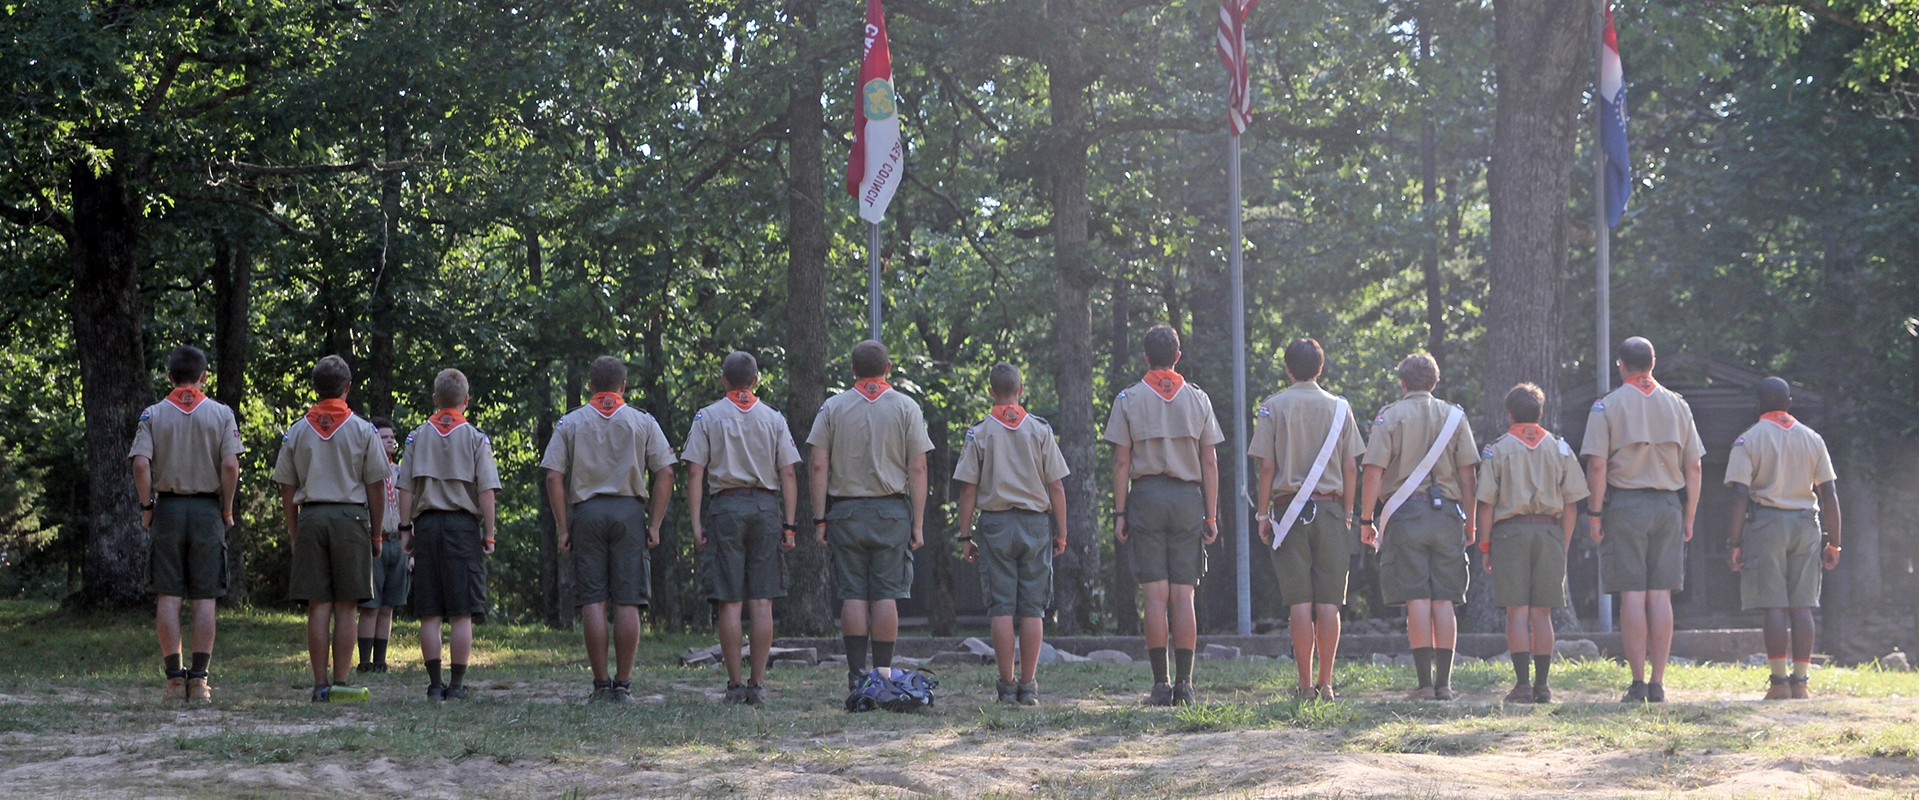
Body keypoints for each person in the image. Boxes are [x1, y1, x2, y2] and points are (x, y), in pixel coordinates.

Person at [542, 356, 676, 703]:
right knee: (628, 601)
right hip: (629, 513)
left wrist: (563, 526)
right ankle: (624, 685)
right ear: (623, 386)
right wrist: (655, 523)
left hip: (586, 513)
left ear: (590, 385)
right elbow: (666, 472)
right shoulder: (642, 421)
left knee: (593, 600)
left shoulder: (571, 423)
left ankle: (600, 685)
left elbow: (553, 475)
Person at [1105, 325, 1224, 706]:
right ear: (1178, 356)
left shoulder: (1129, 399)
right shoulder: (1198, 400)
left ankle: (1160, 684)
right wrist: (1211, 514)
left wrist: (1119, 510)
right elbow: (1210, 460)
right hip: (1188, 498)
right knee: (1183, 595)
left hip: (1146, 496)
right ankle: (1186, 686)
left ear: (1145, 357)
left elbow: (1121, 459)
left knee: (1154, 595)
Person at [1581, 337, 1704, 703]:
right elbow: (1694, 465)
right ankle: (1658, 683)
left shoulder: (1607, 405)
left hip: (1626, 506)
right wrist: (1689, 514)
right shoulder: (1678, 404)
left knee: (1632, 594)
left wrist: (1595, 513)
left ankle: (1637, 683)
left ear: (1621, 365)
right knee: (1661, 595)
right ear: (1653, 364)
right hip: (1668, 505)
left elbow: (1598, 463)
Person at [808, 340, 933, 697]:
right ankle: (883, 673)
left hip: (845, 511)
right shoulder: (907, 407)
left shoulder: (832, 407)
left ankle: (854, 673)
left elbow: (818, 464)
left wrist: (820, 518)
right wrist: (918, 523)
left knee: (853, 594)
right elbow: (918, 466)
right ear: (888, 368)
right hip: (891, 511)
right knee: (886, 595)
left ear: (852, 370)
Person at [1358, 353, 1479, 701]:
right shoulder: (1455, 416)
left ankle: (1424, 684)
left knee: (1417, 600)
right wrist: (1469, 521)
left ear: (1403, 383)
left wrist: (1367, 520)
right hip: (1447, 517)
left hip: (1405, 515)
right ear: (1435, 382)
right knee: (1445, 600)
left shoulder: (1390, 416)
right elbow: (1469, 475)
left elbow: (1373, 471)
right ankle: (1445, 684)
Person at [683, 352, 801, 706]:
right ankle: (758, 683)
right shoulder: (773, 418)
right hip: (765, 507)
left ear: (723, 380)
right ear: (756, 380)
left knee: (730, 601)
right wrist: (790, 526)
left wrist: (696, 522)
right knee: (761, 600)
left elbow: (694, 471)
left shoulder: (708, 416)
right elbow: (789, 473)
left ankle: (734, 685)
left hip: (726, 507)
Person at [1251, 338, 1365, 702]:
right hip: (1331, 508)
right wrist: (1348, 512)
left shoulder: (1272, 407)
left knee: (1299, 602)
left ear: (1287, 368)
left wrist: (1263, 512)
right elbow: (1351, 465)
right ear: (1321, 367)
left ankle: (1303, 686)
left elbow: (1266, 466)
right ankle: (1327, 683)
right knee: (1329, 602)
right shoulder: (1340, 407)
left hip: (1288, 511)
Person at [130, 346, 244, 702]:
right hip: (208, 510)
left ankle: (173, 681)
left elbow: (140, 464)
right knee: (204, 596)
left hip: (169, 510)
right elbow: (230, 466)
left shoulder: (153, 414)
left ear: (170, 377)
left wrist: (147, 506)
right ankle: (200, 680)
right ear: (203, 376)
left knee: (168, 595)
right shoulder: (221, 413)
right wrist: (226, 509)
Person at [273, 355, 390, 702]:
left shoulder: (297, 430)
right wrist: (377, 533)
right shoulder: (362, 429)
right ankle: (341, 682)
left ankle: (319, 683)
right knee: (347, 606)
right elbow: (376, 486)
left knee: (318, 605)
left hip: (311, 516)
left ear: (314, 387)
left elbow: (286, 487)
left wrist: (295, 531)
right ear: (348, 388)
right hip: (351, 519)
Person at [955, 363, 1070, 705]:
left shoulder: (980, 433)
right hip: (1036, 524)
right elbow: (1057, 487)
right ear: (1021, 390)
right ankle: (1029, 685)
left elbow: (968, 490)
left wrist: (964, 536)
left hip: (996, 524)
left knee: (1002, 608)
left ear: (991, 391)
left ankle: (1006, 685)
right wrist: (1062, 533)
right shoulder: (1039, 430)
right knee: (1033, 609)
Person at [1725, 377, 1841, 701]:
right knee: (1803, 606)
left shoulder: (1748, 440)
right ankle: (1801, 683)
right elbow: (1829, 493)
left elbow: (1739, 495)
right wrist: (1834, 542)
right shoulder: (1813, 439)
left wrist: (1733, 544)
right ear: (1789, 403)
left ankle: (1778, 684)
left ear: (1758, 404)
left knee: (1773, 605)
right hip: (1807, 524)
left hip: (1767, 525)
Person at [1474, 383, 1588, 704]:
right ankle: (1543, 685)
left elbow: (1486, 503)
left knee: (1516, 612)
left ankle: (1522, 684)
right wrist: (1561, 543)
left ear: (1509, 414)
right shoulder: (1560, 448)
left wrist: (1485, 544)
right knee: (1542, 614)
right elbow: (1571, 503)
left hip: (1510, 533)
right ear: (1541, 412)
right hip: (1550, 532)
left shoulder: (1497, 449)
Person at [396, 370, 501, 701]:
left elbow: (405, 488)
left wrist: (404, 528)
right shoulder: (474, 437)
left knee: (429, 610)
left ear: (435, 400)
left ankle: (433, 684)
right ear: (465, 401)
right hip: (461, 528)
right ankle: (457, 685)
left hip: (426, 526)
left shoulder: (417, 437)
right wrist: (490, 532)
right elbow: (486, 489)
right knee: (460, 611)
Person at [356, 417, 408, 675]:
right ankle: (364, 660)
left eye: (392, 437)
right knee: (370, 606)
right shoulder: (365, 473)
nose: (390, 441)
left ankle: (380, 660)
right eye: (384, 437)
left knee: (388, 606)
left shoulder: (399, 472)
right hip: (374, 541)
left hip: (398, 543)